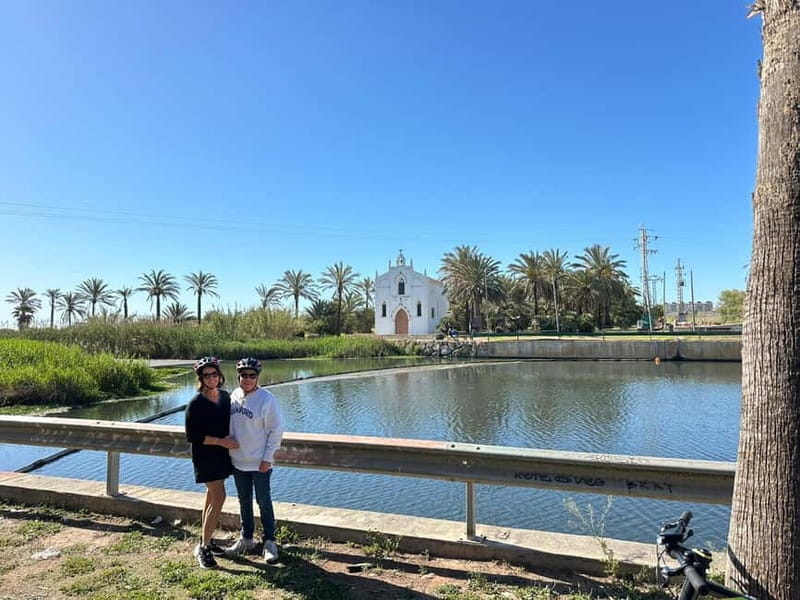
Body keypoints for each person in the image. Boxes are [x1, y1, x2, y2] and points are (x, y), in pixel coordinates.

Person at [225, 357, 285, 564]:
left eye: (252, 375)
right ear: (238, 376)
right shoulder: (234, 396)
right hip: (238, 461)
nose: (247, 379)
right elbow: (230, 425)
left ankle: (270, 542)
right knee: (243, 501)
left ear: (258, 377)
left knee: (264, 501)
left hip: (260, 463)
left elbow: (276, 431)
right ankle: (247, 538)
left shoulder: (268, 400)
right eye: (244, 375)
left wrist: (268, 458)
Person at [184, 356, 239, 569]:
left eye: (214, 374)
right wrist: (220, 441)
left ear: (220, 375)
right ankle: (204, 549)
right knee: (219, 496)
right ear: (201, 378)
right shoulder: (195, 404)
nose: (211, 378)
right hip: (205, 456)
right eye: (206, 375)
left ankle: (204, 539)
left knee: (210, 498)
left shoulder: (225, 397)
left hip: (222, 455)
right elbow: (193, 436)